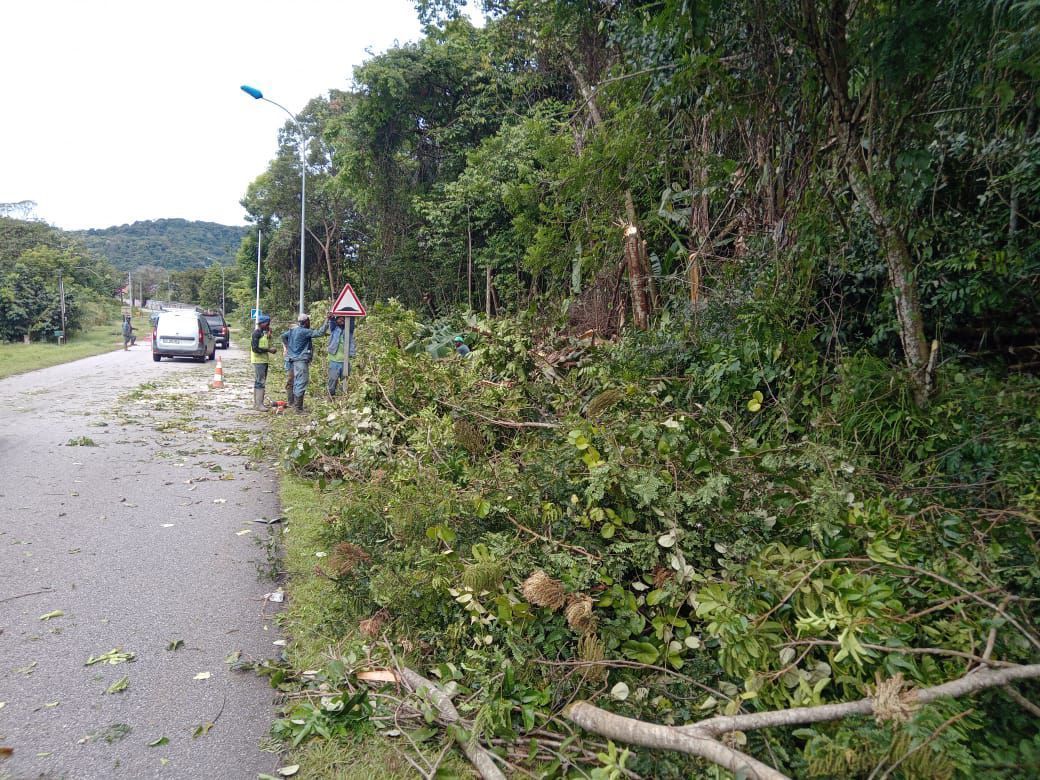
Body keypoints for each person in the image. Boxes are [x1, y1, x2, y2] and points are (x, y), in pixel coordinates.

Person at [280, 313, 330, 412]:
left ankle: (292, 403)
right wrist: (327, 320)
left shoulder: (292, 330)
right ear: (306, 321)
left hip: (291, 360)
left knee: (292, 381)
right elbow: (320, 333)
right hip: (300, 360)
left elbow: (283, 336)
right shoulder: (304, 331)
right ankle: (298, 408)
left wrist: (288, 347)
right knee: (301, 382)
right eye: (309, 321)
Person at [250, 315, 278, 410]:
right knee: (260, 381)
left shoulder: (263, 333)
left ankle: (257, 403)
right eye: (267, 324)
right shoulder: (256, 333)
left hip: (264, 360)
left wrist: (269, 336)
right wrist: (269, 350)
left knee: (260, 381)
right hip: (258, 361)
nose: (268, 325)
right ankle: (259, 404)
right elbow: (255, 349)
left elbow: (266, 344)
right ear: (262, 324)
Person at [327, 315, 357, 397]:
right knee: (332, 380)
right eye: (339, 318)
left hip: (345, 361)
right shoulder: (334, 329)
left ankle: (343, 398)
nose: (342, 320)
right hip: (334, 360)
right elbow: (332, 321)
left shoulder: (349, 330)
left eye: (343, 318)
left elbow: (351, 320)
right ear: (336, 320)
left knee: (345, 381)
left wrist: (351, 312)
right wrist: (331, 317)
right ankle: (331, 397)